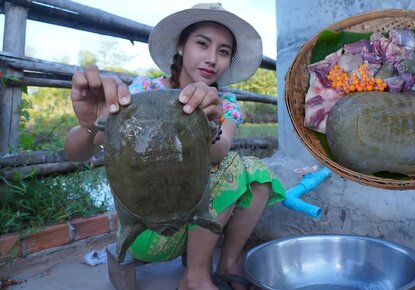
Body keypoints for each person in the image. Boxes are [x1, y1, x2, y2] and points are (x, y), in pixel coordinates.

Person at [64, 3, 285, 290]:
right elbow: (77, 152)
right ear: (181, 46)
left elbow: (219, 151)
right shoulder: (142, 94)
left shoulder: (223, 105)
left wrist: (211, 124)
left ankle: (229, 263)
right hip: (146, 229)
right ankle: (196, 277)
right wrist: (91, 124)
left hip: (197, 218)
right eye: (202, 44)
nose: (211, 58)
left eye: (223, 51)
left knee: (252, 170)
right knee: (233, 165)